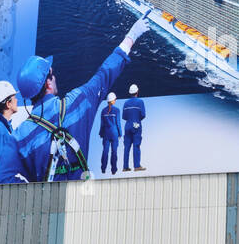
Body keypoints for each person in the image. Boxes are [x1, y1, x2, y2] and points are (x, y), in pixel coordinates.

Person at [13, 15, 151, 182]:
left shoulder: (20, 137)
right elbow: (105, 73)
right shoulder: (77, 102)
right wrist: (132, 36)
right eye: (51, 73)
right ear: (48, 84)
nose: (54, 76)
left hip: (46, 204)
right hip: (82, 198)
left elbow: (1, 179)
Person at [121, 83, 147, 171]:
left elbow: (124, 117)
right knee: (136, 145)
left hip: (127, 126)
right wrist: (136, 120)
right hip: (136, 125)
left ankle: (125, 167)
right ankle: (136, 166)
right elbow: (143, 115)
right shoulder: (140, 102)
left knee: (127, 147)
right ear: (137, 91)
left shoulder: (126, 103)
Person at [99, 91, 122, 174]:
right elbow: (118, 123)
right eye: (115, 99)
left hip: (106, 133)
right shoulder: (117, 110)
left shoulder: (103, 111)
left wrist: (101, 133)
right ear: (112, 100)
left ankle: (103, 169)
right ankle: (114, 170)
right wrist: (120, 133)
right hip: (114, 133)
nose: (115, 100)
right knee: (114, 151)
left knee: (105, 151)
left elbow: (102, 124)